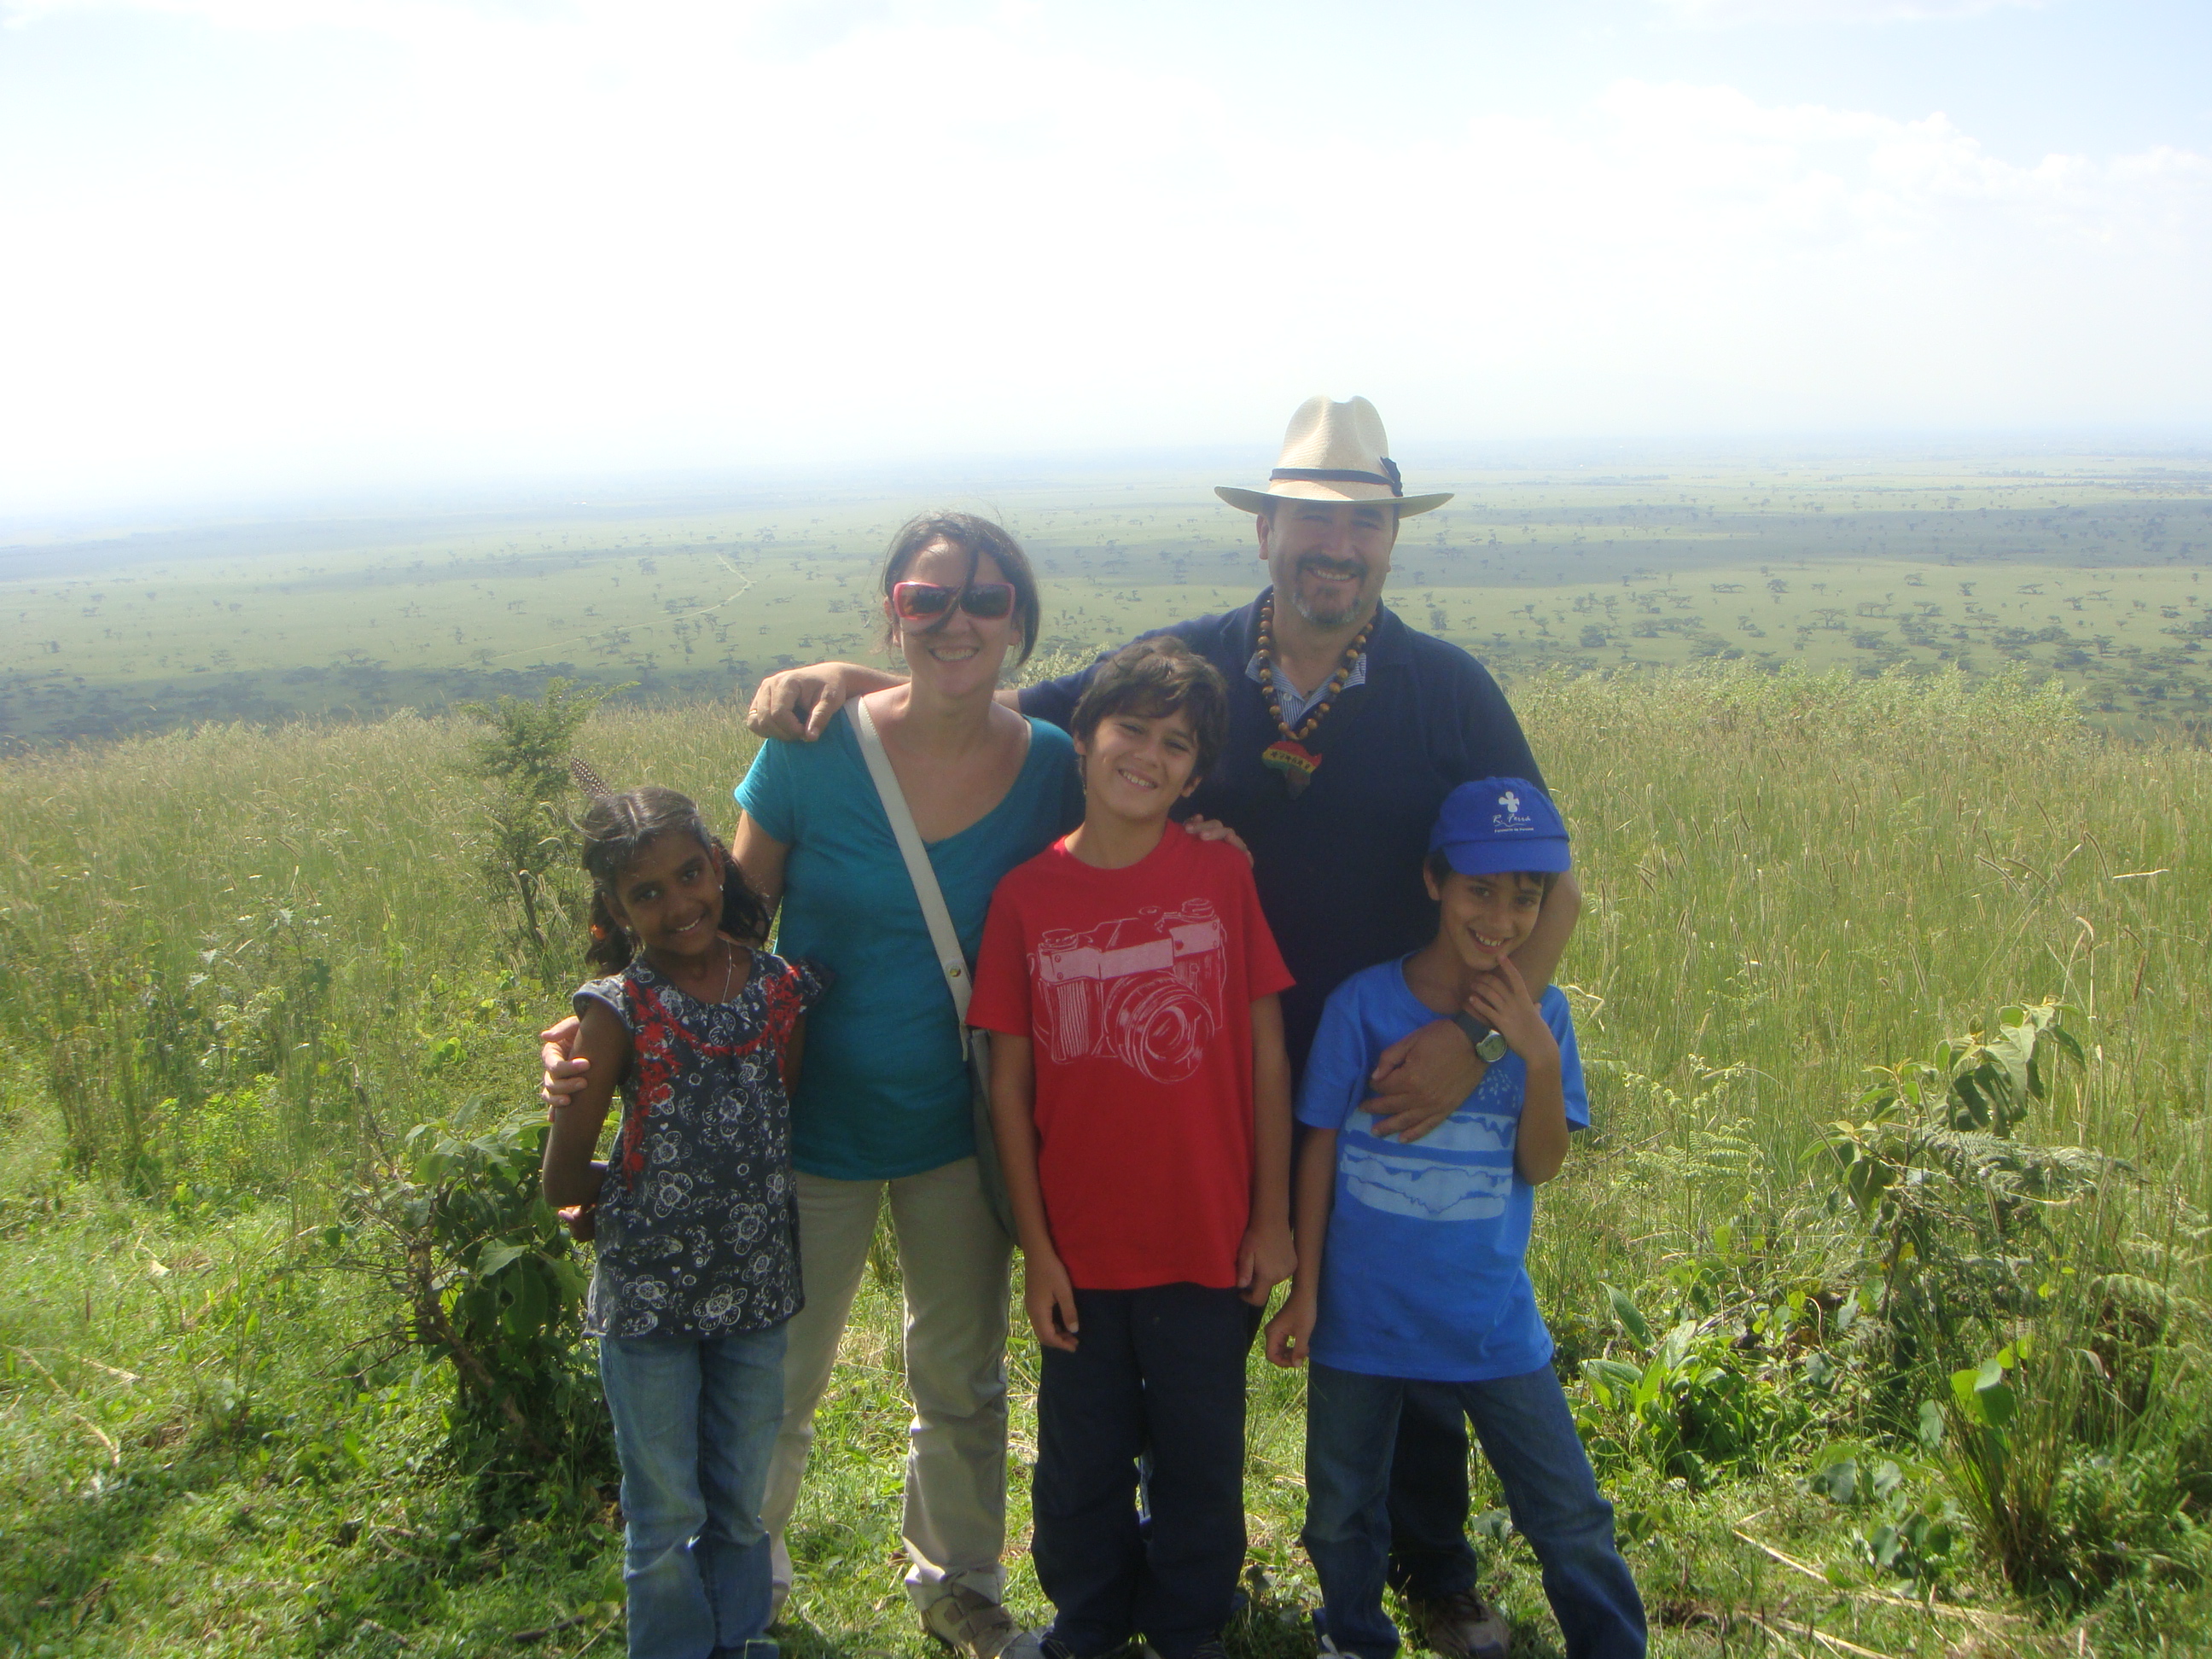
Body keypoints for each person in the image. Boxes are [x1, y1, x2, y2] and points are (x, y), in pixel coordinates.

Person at [748, 397, 1584, 1655]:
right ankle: (1151, 1580)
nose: (1337, 549)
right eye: (1312, 522)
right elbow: (1001, 704)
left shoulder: (1446, 689)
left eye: (1363, 525)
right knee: (1167, 1354)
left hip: (1387, 1071)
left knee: (1397, 1315)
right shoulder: (1185, 668)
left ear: (1391, 541)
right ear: (1265, 533)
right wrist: (847, 680)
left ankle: (1430, 1570)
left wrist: (1474, 1043)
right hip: (1196, 1084)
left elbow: (1552, 884)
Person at [543, 514, 1239, 1657]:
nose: (957, 621)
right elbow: (719, 933)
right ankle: (745, 1580)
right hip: (802, 1122)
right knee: (777, 1375)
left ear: (1018, 623)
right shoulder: (809, 753)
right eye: (928, 600)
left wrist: (1205, 837)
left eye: (985, 600)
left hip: (964, 1126)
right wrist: (598, 1027)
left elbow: (1127, 823)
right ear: (893, 612)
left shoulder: (1053, 765)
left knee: (961, 1379)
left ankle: (959, 1582)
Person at [1264, 779, 1645, 1659]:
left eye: (1526, 898)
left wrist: (1537, 1058)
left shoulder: (1545, 1016)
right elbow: (1318, 1148)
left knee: (1568, 1510)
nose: (1502, 920)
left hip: (1489, 1318)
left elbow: (1540, 1165)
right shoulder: (1364, 1005)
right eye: (1480, 890)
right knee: (1341, 1508)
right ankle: (1353, 1635)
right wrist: (1306, 1293)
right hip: (1360, 1317)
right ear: (1434, 882)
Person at [969, 638, 1295, 1659]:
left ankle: (1190, 1620)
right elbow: (1008, 1086)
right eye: (1131, 728)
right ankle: (1091, 1619)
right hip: (1082, 1246)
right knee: (1080, 1456)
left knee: (1204, 1452)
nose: (1147, 755)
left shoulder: (1222, 875)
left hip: (1207, 1235)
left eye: (1176, 744)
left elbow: (1267, 1054)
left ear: (1196, 777)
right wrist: (1038, 1253)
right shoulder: (1026, 898)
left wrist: (1273, 1217)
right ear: (1083, 736)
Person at [542, 786, 829, 1659]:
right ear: (617, 908)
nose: (677, 905)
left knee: (741, 1500)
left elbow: (773, 1115)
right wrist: (634, 1193)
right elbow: (562, 1172)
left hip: (755, 1292)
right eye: (647, 894)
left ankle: (739, 1641)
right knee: (664, 1511)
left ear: (716, 862)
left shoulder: (778, 989)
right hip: (650, 1306)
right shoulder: (616, 1008)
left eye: (689, 875)